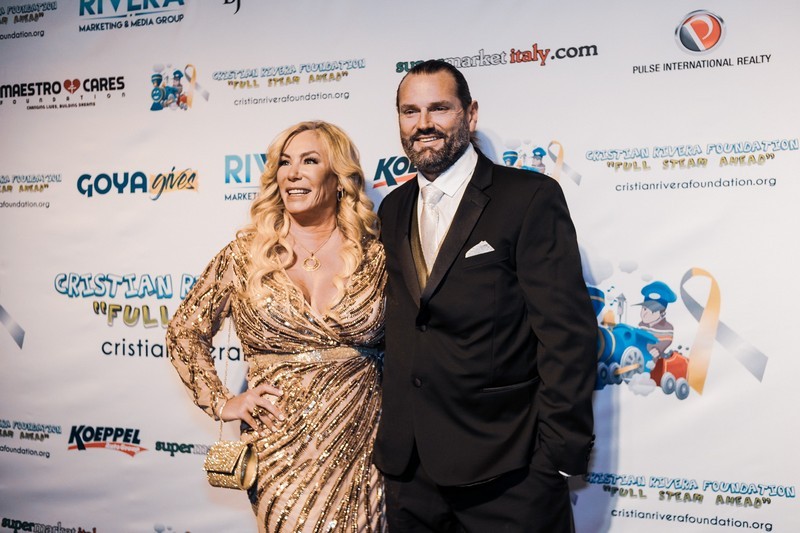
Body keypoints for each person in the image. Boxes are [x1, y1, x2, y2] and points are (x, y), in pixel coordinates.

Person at [373, 60, 597, 532]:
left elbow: (567, 335)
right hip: (411, 472)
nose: (423, 123)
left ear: (470, 114)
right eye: (410, 111)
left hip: (509, 469)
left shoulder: (528, 198)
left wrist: (556, 458)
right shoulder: (392, 209)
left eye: (439, 108)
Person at [167, 121, 386, 532]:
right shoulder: (245, 256)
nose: (293, 173)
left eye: (310, 161)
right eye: (285, 163)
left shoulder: (375, 257)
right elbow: (184, 331)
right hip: (278, 452)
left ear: (338, 178)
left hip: (364, 448)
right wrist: (222, 401)